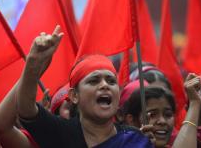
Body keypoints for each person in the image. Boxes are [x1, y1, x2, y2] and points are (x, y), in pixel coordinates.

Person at [15, 25, 153, 148]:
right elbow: (26, 109)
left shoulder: (135, 139)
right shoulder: (60, 132)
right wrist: (33, 64)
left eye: (111, 81)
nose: (105, 85)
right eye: (94, 81)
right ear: (74, 96)